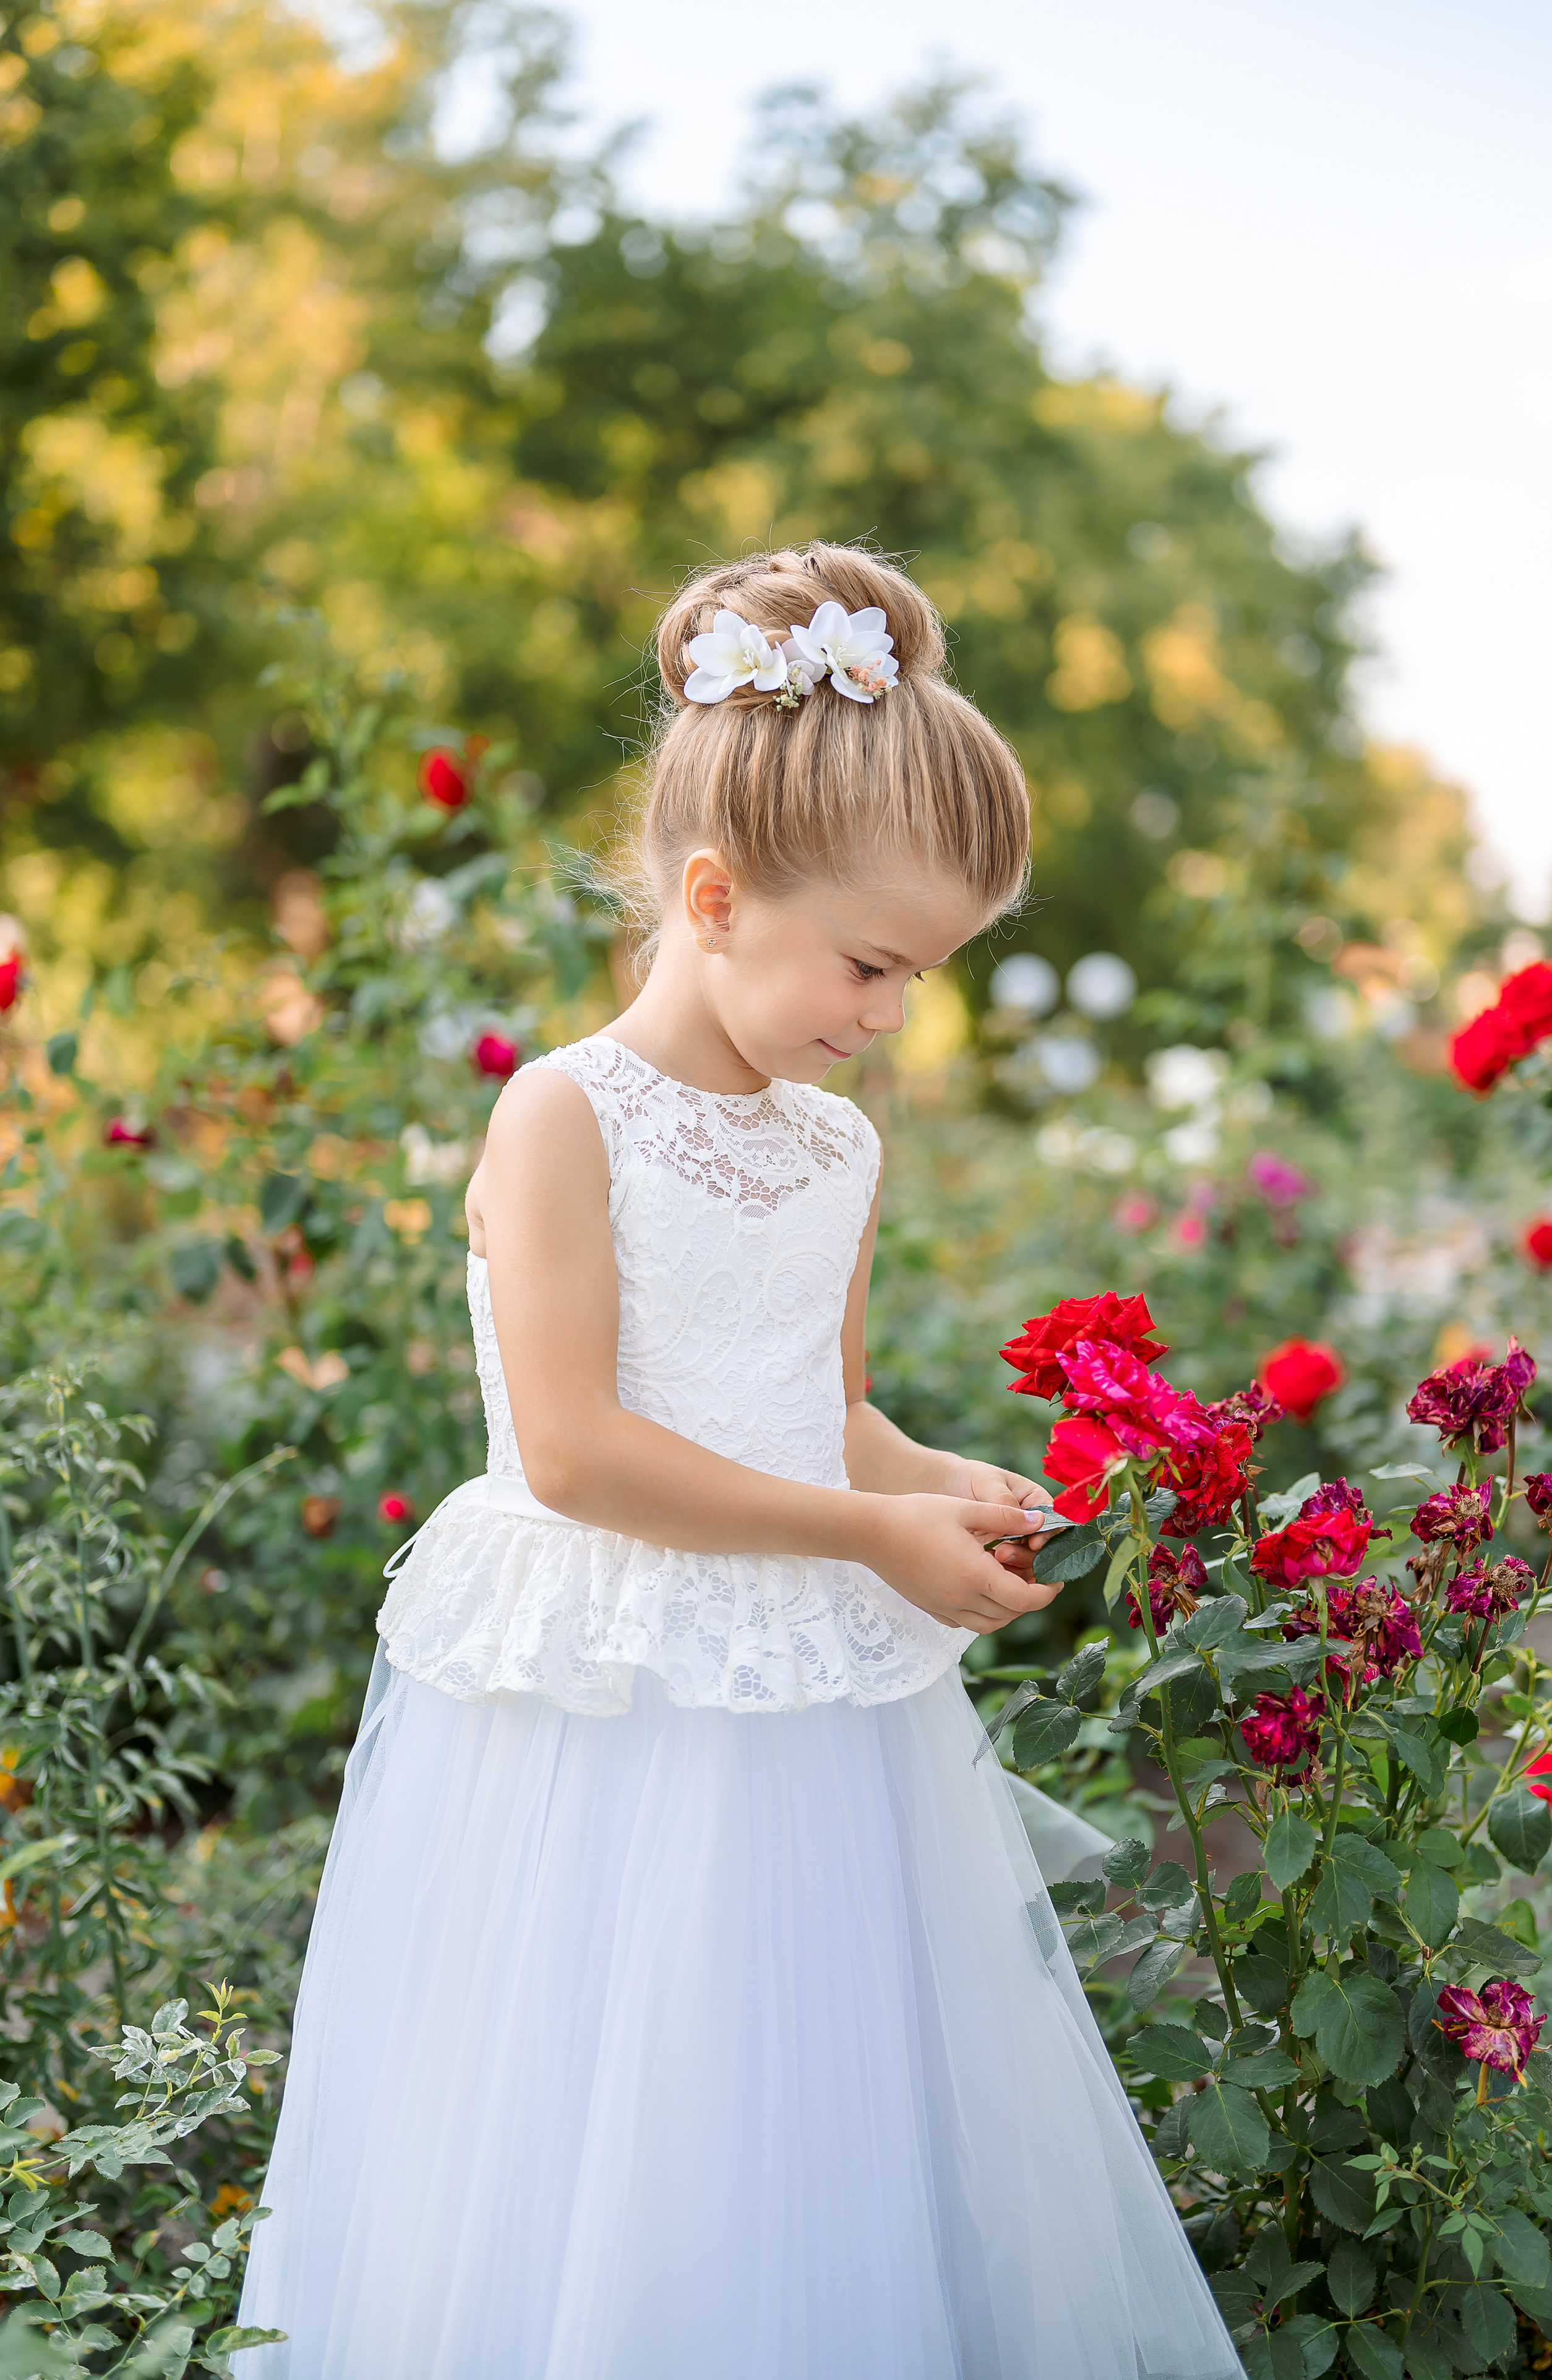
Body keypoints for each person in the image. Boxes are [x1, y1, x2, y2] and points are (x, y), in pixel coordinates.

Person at [236, 544, 1241, 2379]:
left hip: (802, 1690)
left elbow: (821, 1405)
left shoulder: (833, 1149)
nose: (890, 1012)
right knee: (606, 2106)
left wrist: (935, 1482)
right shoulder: (561, 1116)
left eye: (922, 972)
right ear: (714, 894)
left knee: (801, 2090)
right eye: (873, 962)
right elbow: (577, 1452)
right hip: (604, 1685)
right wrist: (866, 1533)